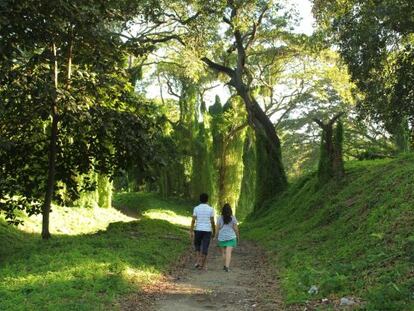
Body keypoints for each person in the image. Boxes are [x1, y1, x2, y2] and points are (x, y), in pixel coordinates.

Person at [190, 193, 215, 270]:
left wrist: (191, 230)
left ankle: (198, 261)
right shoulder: (211, 209)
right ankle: (203, 265)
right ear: (207, 200)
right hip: (207, 230)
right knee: (205, 247)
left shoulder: (196, 208)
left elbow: (193, 220)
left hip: (198, 230)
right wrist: (214, 231)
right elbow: (212, 222)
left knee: (197, 245)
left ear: (200, 200)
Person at [216, 203, 239, 272]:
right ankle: (227, 267)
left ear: (222, 210)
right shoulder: (233, 217)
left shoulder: (219, 218)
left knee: (223, 253)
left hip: (222, 237)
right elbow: (236, 229)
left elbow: (217, 228)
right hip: (231, 237)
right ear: (230, 210)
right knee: (228, 252)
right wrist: (238, 236)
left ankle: (224, 266)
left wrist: (215, 236)